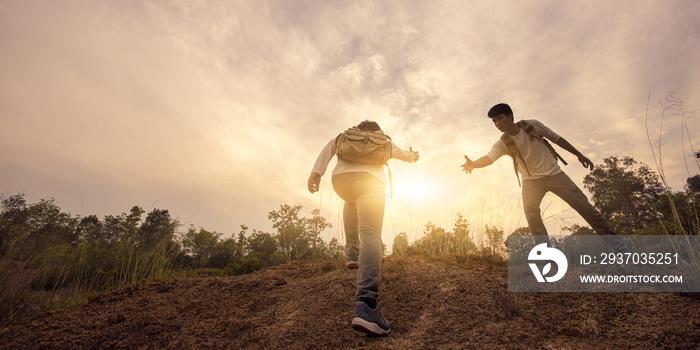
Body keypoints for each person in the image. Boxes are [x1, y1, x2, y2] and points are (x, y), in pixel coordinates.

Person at [461, 103, 628, 253]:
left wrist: (579, 155)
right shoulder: (502, 143)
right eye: (494, 122)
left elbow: (556, 139)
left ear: (510, 116)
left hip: (556, 175)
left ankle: (621, 252)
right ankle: (547, 256)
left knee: (587, 209)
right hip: (531, 181)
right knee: (531, 212)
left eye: (500, 119)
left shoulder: (532, 125)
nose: (497, 124)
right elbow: (490, 158)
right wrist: (473, 164)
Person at [308, 120, 419, 336]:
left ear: (358, 129)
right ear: (377, 131)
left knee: (351, 201)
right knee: (370, 234)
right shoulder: (383, 140)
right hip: (370, 182)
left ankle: (352, 254)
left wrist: (316, 173)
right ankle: (367, 304)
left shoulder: (345, 135)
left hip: (340, 180)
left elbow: (329, 147)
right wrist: (414, 156)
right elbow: (404, 155)